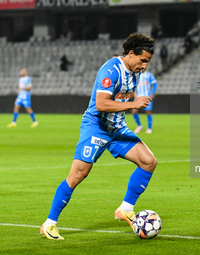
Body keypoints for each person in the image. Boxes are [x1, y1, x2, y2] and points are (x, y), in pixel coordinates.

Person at [40, 33, 156, 240]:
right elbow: (101, 104)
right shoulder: (111, 70)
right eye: (143, 60)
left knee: (148, 161)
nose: (145, 66)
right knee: (77, 175)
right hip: (96, 127)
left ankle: (125, 209)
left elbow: (123, 96)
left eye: (147, 62)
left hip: (117, 128)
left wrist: (133, 100)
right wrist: (133, 104)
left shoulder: (134, 71)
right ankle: (49, 223)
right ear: (131, 54)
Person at [133, 69, 158, 134]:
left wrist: (153, 93)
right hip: (138, 97)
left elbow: (155, 84)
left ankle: (149, 128)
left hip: (147, 97)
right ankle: (139, 126)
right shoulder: (135, 75)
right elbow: (133, 86)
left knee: (148, 112)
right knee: (134, 111)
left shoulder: (149, 75)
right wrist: (134, 94)